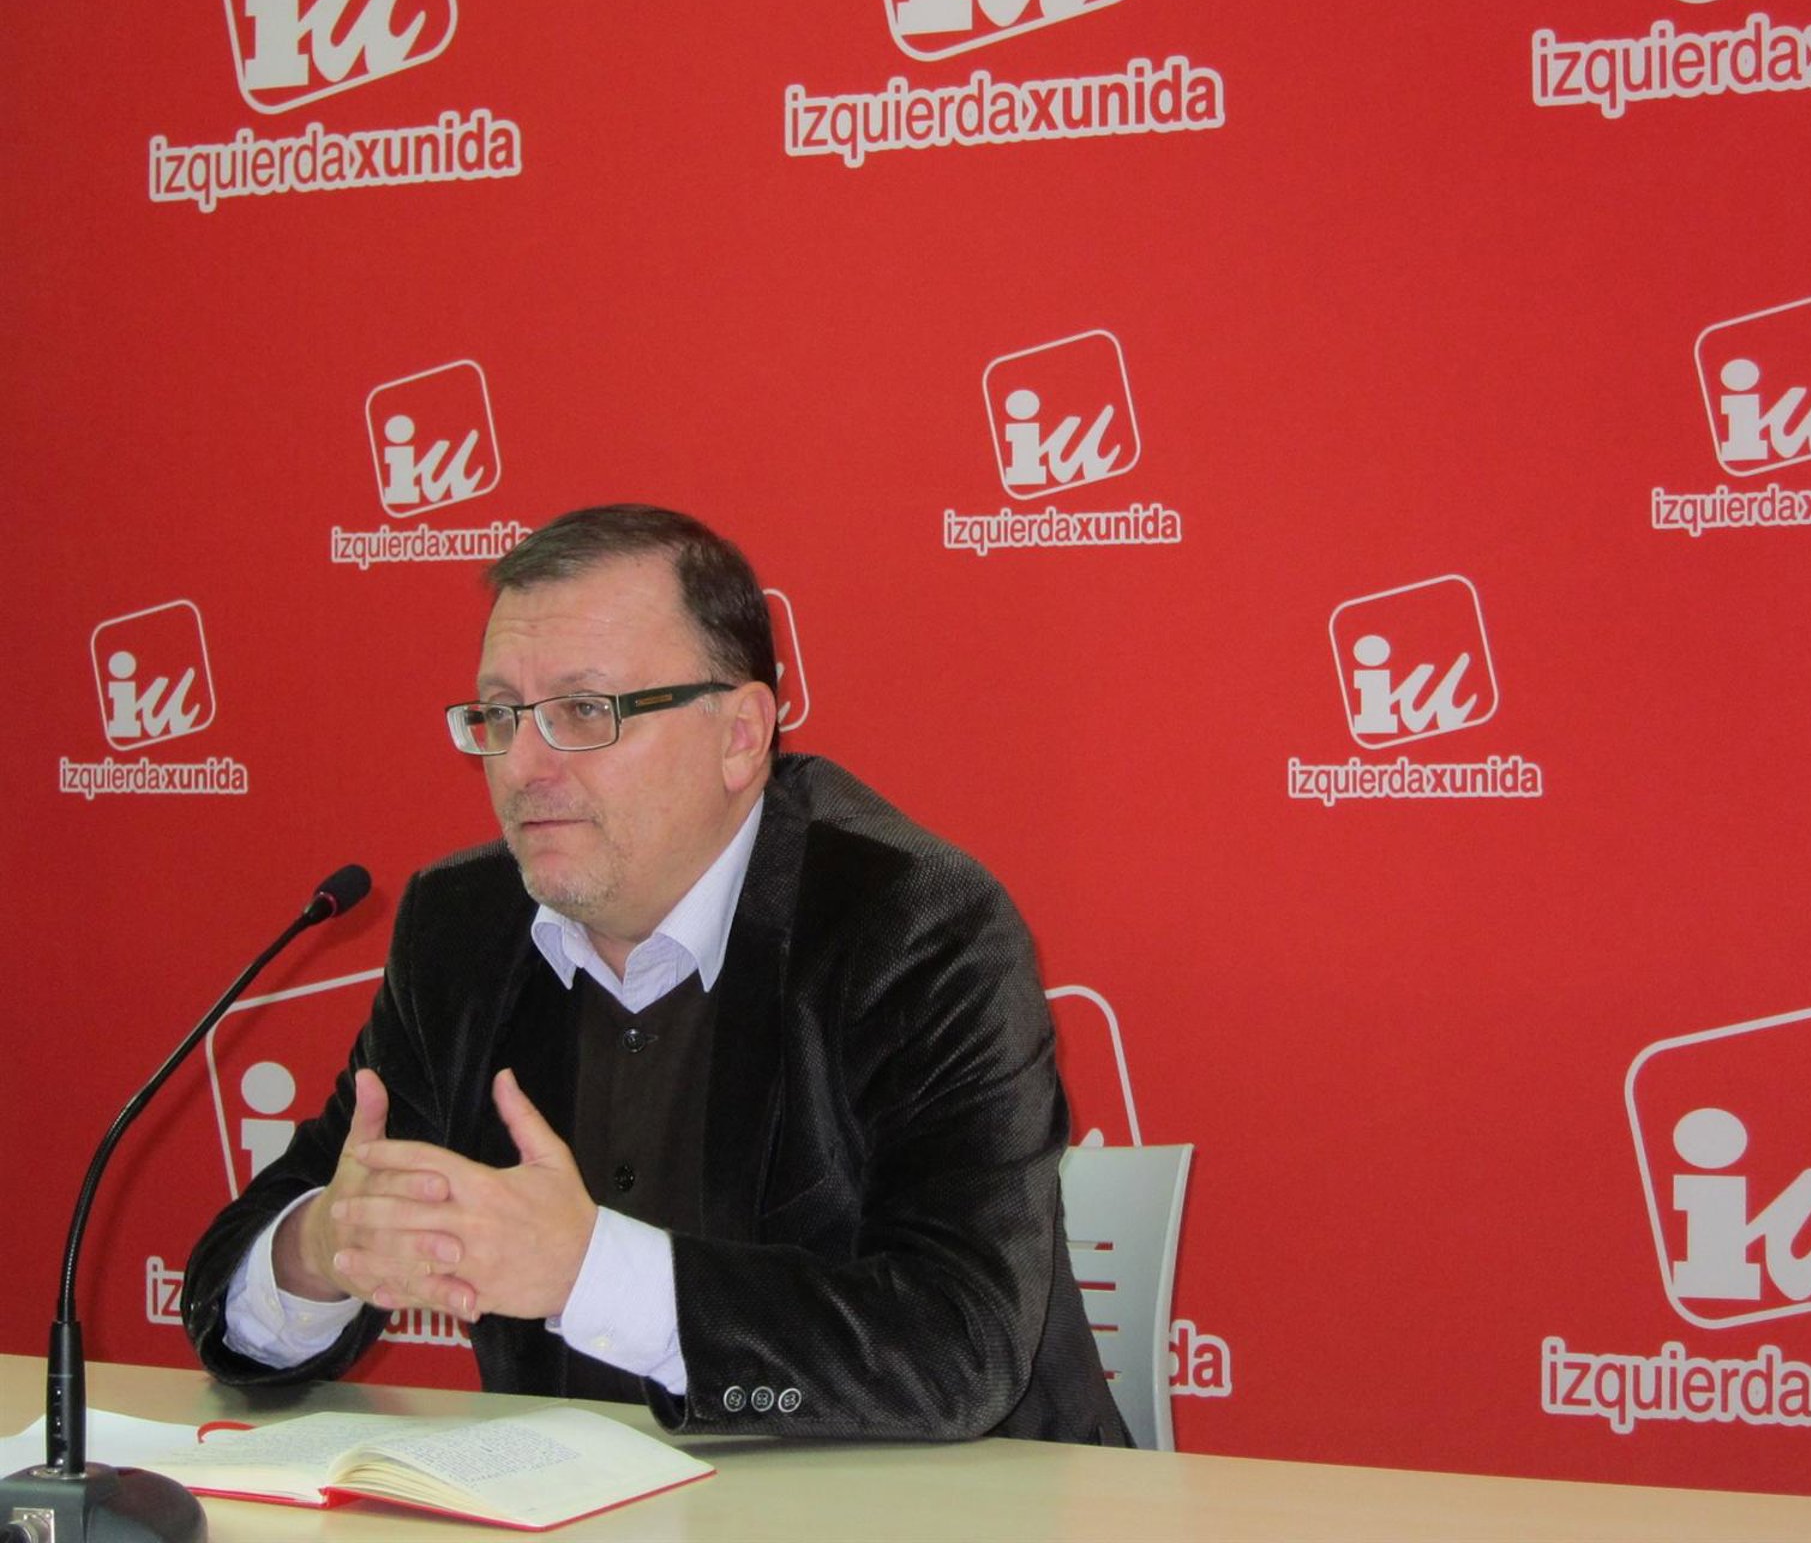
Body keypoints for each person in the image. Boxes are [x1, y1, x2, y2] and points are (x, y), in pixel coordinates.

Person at [182, 504, 1126, 1445]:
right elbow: (234, 1299)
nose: (523, 764)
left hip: (938, 1499)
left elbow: (960, 1346)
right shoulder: (461, 930)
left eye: (584, 712)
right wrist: (320, 1248)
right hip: (572, 1502)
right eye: (499, 715)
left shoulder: (912, 926)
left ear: (741, 735)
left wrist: (587, 1273)